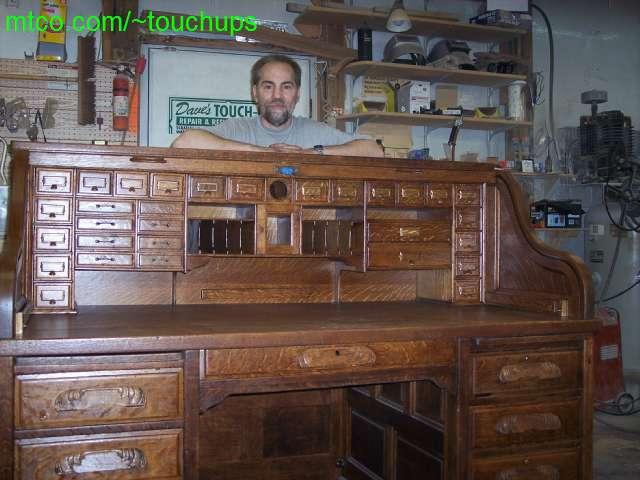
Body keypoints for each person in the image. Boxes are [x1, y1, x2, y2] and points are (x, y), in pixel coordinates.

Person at [171, 54, 383, 157]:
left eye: (286, 87)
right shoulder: (238, 129)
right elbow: (184, 142)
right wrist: (261, 152)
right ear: (255, 93)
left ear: (297, 94)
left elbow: (374, 151)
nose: (277, 96)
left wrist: (310, 153)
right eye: (268, 86)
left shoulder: (313, 131)